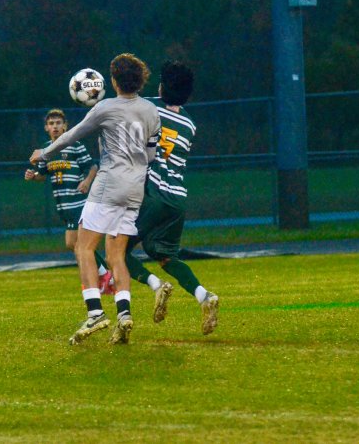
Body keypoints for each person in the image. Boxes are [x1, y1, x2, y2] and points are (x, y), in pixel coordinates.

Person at [30, 53, 161, 345]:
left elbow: (71, 135)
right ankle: (124, 314)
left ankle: (95, 314)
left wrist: (45, 153)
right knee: (116, 254)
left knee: (83, 247)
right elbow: (151, 155)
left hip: (108, 186)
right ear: (140, 79)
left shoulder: (105, 108)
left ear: (113, 81)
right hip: (135, 189)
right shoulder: (152, 110)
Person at [125, 61, 220, 334]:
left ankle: (157, 286)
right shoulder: (190, 124)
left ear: (162, 86)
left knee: (113, 252)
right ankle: (204, 295)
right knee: (164, 255)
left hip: (151, 192)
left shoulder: (146, 106)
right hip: (177, 197)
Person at [24, 108, 115, 294]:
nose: (55, 127)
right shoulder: (46, 150)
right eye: (51, 124)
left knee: (75, 244)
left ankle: (101, 279)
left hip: (77, 202)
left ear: (65, 127)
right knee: (75, 245)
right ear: (46, 128)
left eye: (58, 123)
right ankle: (100, 278)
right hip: (62, 205)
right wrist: (32, 176)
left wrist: (86, 182)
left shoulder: (74, 145)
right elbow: (42, 175)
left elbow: (92, 166)